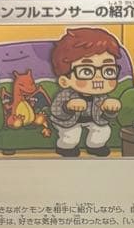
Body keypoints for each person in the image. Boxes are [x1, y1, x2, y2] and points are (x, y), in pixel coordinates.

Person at [49, 28, 123, 157]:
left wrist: (110, 110)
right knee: (72, 135)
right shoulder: (66, 95)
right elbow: (56, 111)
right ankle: (65, 148)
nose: (98, 78)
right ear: (65, 81)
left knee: (103, 131)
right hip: (69, 122)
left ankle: (95, 146)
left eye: (108, 71)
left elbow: (105, 119)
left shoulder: (102, 97)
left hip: (94, 120)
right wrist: (68, 107)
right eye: (86, 71)